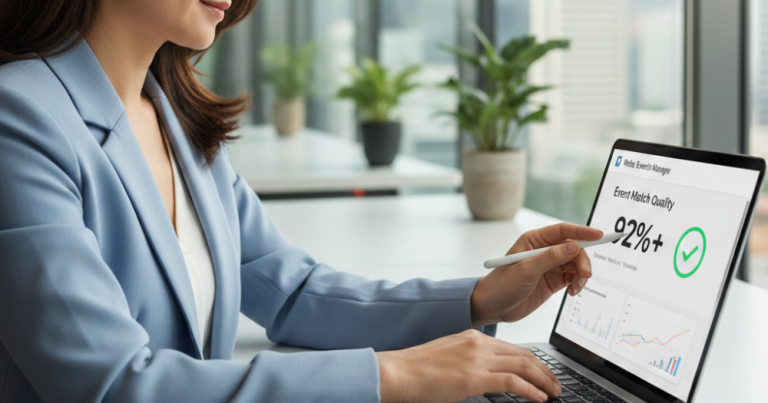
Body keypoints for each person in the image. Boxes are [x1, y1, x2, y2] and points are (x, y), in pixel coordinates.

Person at [0, 1, 601, 402]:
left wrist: (478, 297)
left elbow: (292, 291)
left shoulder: (176, 123)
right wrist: (390, 377)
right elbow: (107, 385)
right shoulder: (19, 117)